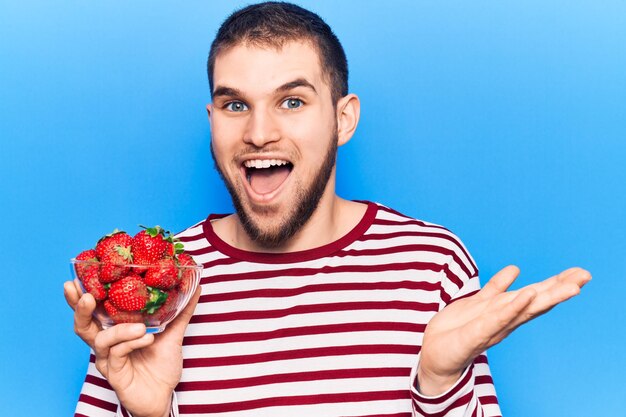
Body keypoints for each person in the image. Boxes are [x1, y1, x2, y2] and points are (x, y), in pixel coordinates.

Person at [63, 3, 591, 417]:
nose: (259, 133)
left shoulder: (430, 263)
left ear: (343, 119)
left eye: (292, 101)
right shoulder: (159, 279)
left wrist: (437, 382)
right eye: (235, 104)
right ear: (212, 118)